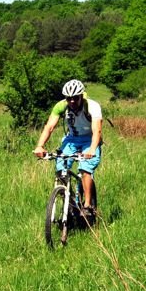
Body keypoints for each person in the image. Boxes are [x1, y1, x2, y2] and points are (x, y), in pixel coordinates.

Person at [33, 79, 103, 217]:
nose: (71, 101)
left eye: (75, 98)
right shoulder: (61, 106)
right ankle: (70, 202)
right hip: (72, 139)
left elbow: (97, 131)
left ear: (81, 96)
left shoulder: (92, 106)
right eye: (68, 98)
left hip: (90, 139)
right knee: (61, 167)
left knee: (85, 168)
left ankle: (88, 205)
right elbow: (49, 127)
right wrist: (40, 146)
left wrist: (92, 149)